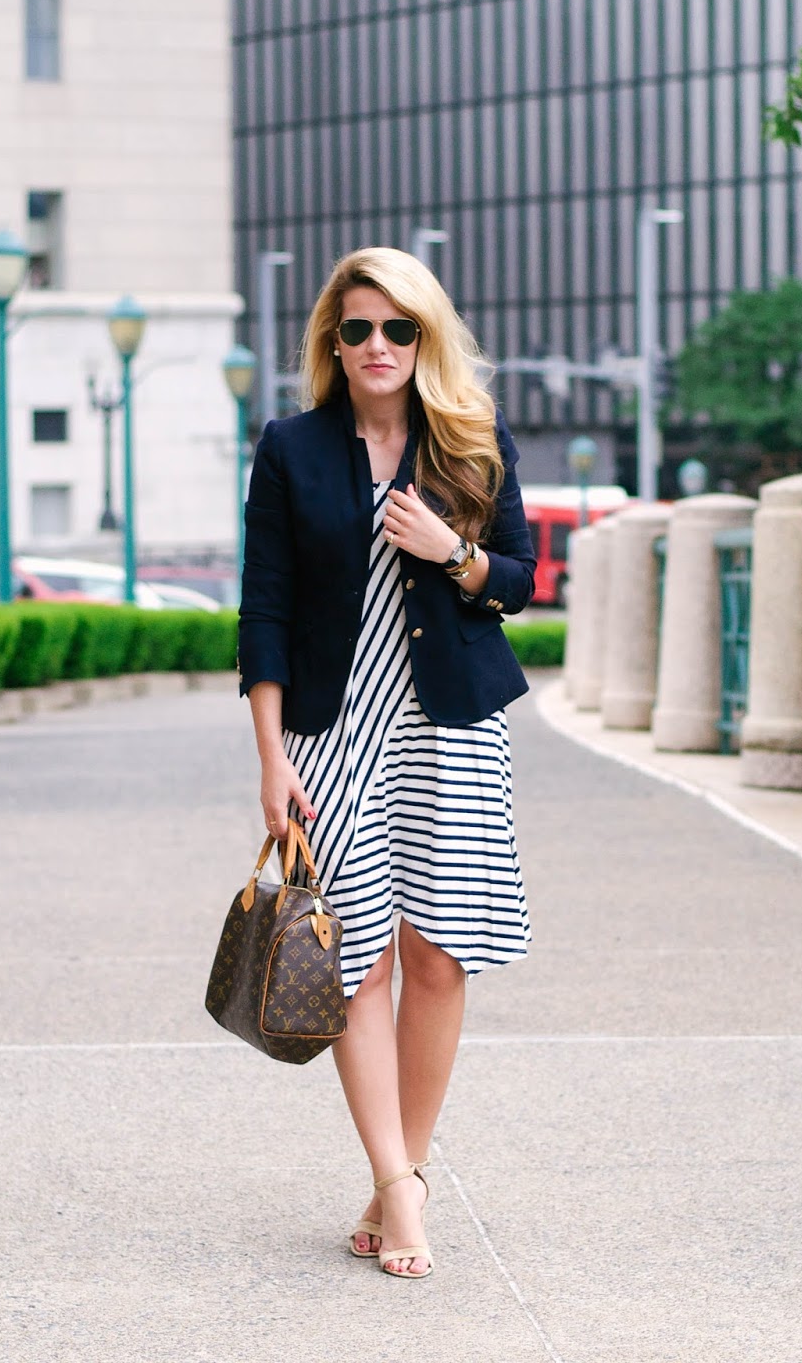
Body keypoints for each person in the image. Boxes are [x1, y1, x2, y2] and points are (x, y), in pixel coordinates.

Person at [237, 246, 536, 1280]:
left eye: (397, 328)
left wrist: (448, 551)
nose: (377, 346)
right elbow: (262, 609)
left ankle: (392, 1171)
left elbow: (523, 581)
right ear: (333, 339)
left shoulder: (470, 439)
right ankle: (405, 1185)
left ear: (424, 337)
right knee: (352, 955)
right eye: (358, 328)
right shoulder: (290, 448)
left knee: (439, 955)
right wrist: (270, 755)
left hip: (445, 726)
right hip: (331, 728)